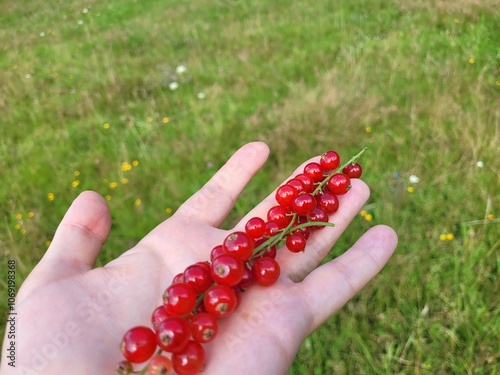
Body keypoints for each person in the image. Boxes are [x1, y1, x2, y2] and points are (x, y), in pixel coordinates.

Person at [0, 142, 397, 375]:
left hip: (235, 269)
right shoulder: (159, 342)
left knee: (251, 257)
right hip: (216, 285)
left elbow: (247, 261)